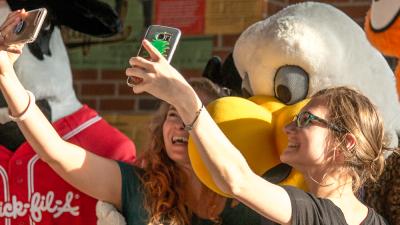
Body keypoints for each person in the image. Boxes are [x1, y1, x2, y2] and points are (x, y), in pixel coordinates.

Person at [0, 11, 263, 225]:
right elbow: (56, 153)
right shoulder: (138, 187)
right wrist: (6, 74)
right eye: (173, 113)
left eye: (192, 114)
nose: (181, 123)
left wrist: (184, 98)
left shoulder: (242, 193)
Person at [123, 40, 390, 225]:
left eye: (306, 119)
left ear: (345, 144)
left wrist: (185, 100)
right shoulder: (373, 220)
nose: (289, 127)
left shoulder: (315, 212)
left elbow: (237, 180)